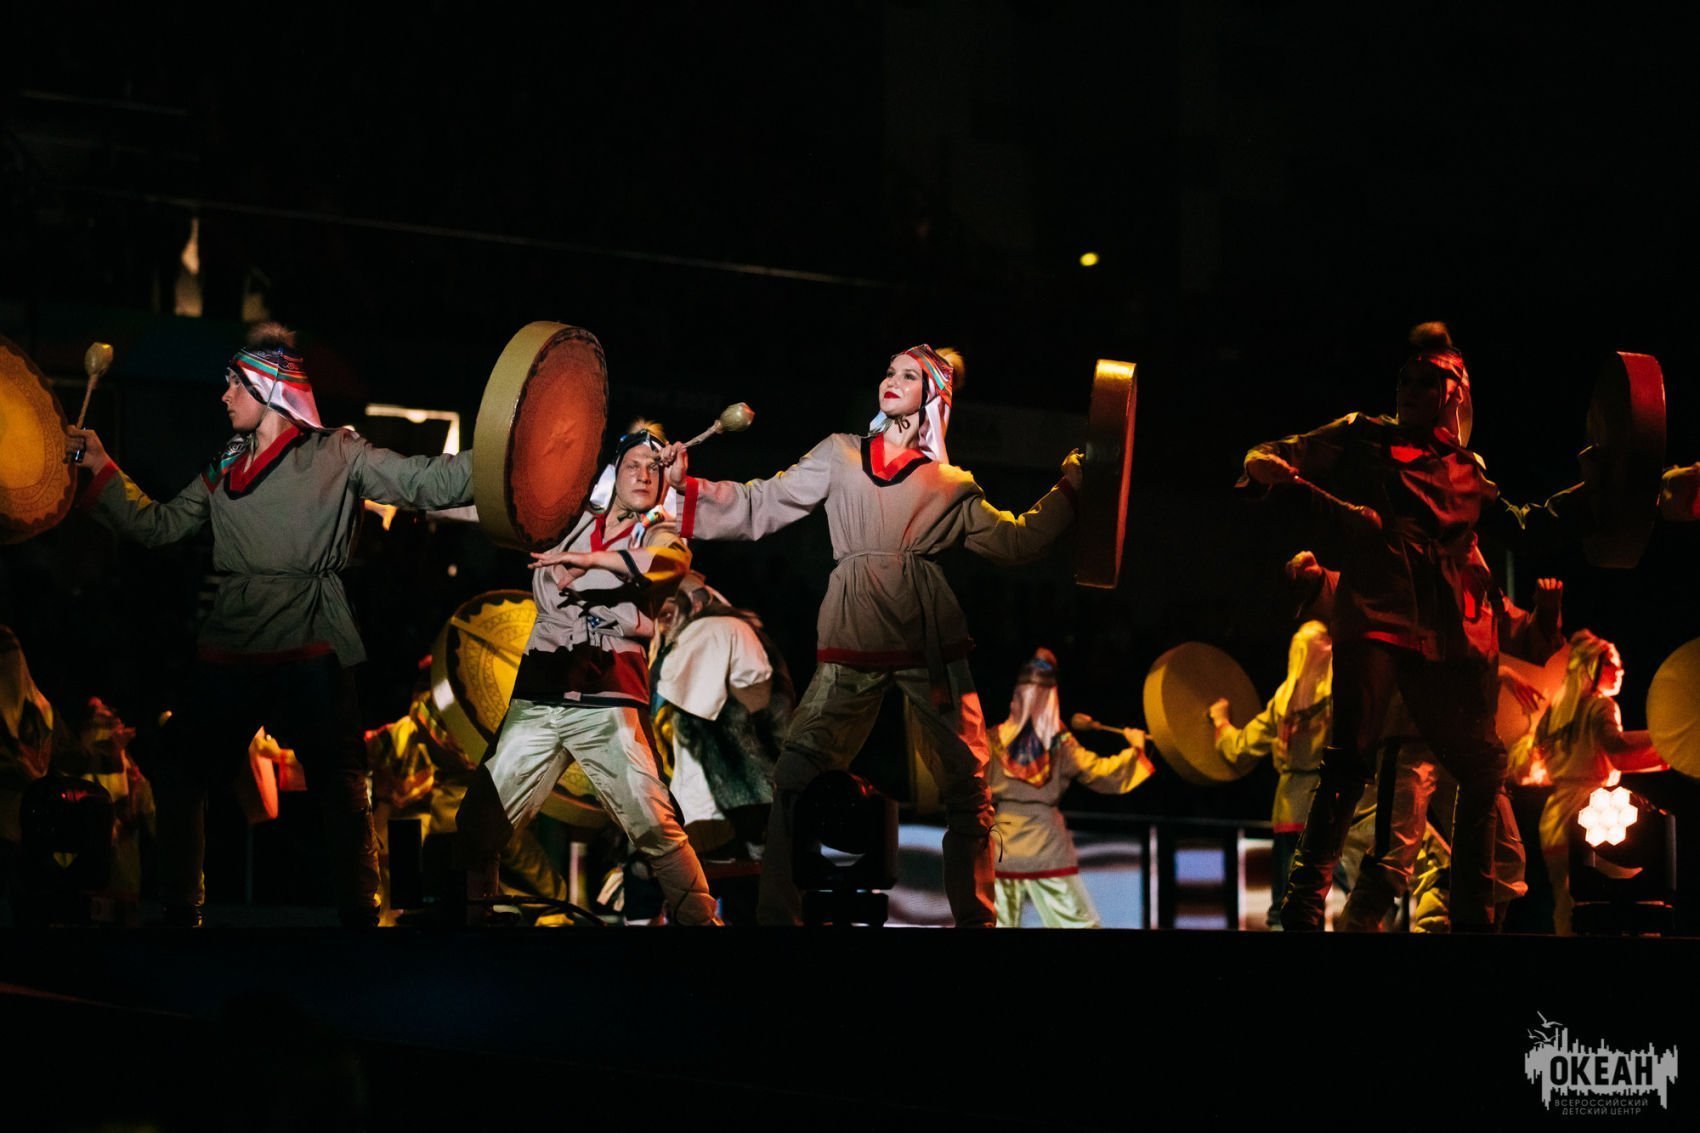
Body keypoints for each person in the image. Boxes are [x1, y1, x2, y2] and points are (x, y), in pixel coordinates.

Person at [65, 323, 474, 926]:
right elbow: (159, 526)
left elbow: (422, 479)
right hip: (232, 642)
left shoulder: (337, 452)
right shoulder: (227, 461)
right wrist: (100, 464)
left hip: (309, 637)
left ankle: (360, 917)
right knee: (182, 773)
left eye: (235, 383)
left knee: (340, 782)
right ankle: (181, 911)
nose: (224, 394)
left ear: (269, 386)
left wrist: (502, 458)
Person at [664, 344, 1081, 926]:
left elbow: (1016, 542)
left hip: (927, 641)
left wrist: (1071, 487)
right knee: (795, 774)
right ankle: (776, 919)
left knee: (969, 788)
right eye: (889, 371)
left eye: (909, 375)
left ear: (932, 396)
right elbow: (764, 502)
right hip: (854, 633)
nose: (891, 380)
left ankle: (977, 923)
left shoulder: (950, 483)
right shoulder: (840, 453)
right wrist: (684, 489)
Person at [1241, 321, 1577, 931]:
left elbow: (1529, 529)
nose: (1409, 390)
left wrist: (1617, 491)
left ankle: (1469, 916)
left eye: (1426, 382)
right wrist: (1268, 463)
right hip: (1378, 625)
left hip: (1439, 649)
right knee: (1353, 768)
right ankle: (1305, 906)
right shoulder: (1366, 435)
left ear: (1454, 394)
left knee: (1480, 773)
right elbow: (1292, 452)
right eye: (1405, 380)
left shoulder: (1467, 475)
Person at [453, 424, 719, 926]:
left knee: (655, 827)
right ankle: (476, 925)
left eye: (654, 469)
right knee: (479, 823)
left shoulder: (657, 533)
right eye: (633, 465)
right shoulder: (569, 520)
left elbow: (670, 562)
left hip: (607, 697)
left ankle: (703, 927)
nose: (643, 476)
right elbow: (501, 510)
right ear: (615, 472)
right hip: (541, 691)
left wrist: (592, 559)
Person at [989, 648, 1153, 928]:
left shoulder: (992, 739)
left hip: (1002, 847)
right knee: (1078, 928)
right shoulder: (1060, 742)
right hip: (1045, 846)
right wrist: (1136, 750)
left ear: (1017, 694)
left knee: (995, 927)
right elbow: (1100, 772)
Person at [1529, 629, 1666, 934]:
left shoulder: (1556, 711)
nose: (1621, 671)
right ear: (1591, 666)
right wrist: (1664, 739)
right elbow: (1616, 749)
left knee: (1566, 899)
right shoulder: (1601, 706)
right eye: (1612, 664)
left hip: (1555, 812)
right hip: (1596, 812)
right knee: (1618, 893)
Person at [650, 572, 793, 858]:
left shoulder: (712, 628)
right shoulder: (725, 628)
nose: (660, 620)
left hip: (733, 801)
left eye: (667, 611)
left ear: (695, 603)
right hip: (745, 796)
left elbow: (669, 700)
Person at [1210, 620, 1333, 928]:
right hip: (1334, 809)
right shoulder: (1340, 699)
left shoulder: (1282, 702)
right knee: (1332, 896)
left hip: (1290, 810)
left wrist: (1221, 723)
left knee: (1287, 904)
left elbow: (1239, 748)